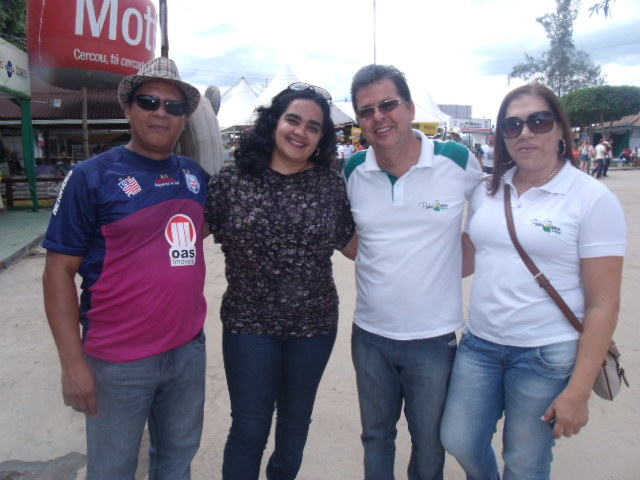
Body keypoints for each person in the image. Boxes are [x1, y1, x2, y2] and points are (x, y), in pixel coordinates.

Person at [441, 83, 626, 479]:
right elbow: (466, 260)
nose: (525, 132)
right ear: (502, 136)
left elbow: (604, 304)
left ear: (560, 129)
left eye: (538, 121)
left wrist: (578, 391)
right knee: (458, 439)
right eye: (512, 125)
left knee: (524, 462)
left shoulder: (592, 198)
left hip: (547, 354)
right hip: (480, 344)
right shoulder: (487, 190)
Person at [42, 57, 210, 479]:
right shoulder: (90, 177)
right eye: (149, 101)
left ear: (184, 119)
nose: (161, 112)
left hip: (187, 353)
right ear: (128, 109)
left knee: (176, 465)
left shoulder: (196, 177)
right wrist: (72, 364)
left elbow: (199, 235)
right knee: (112, 470)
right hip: (117, 361)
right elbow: (58, 272)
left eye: (174, 106)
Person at [205, 82, 355, 480]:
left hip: (314, 326)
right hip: (248, 325)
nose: (300, 132)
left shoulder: (329, 185)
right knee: (248, 429)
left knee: (294, 426)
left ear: (321, 138)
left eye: (313, 127)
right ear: (274, 122)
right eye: (293, 120)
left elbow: (355, 244)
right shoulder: (231, 181)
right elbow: (183, 234)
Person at [343, 64, 485, 480]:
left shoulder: (456, 160)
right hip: (370, 336)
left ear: (409, 108)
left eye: (388, 104)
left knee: (430, 441)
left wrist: (451, 265)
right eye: (366, 110)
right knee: (375, 437)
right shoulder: (353, 170)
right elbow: (348, 237)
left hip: (433, 339)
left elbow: (489, 222)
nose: (379, 117)